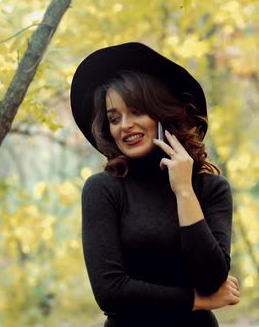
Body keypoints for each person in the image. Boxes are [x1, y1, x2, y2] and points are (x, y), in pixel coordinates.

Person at [70, 42, 240, 326]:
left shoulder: (211, 188)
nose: (124, 125)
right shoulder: (104, 189)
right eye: (114, 118)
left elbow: (212, 279)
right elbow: (109, 292)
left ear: (162, 115)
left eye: (136, 111)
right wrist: (196, 301)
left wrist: (184, 191)